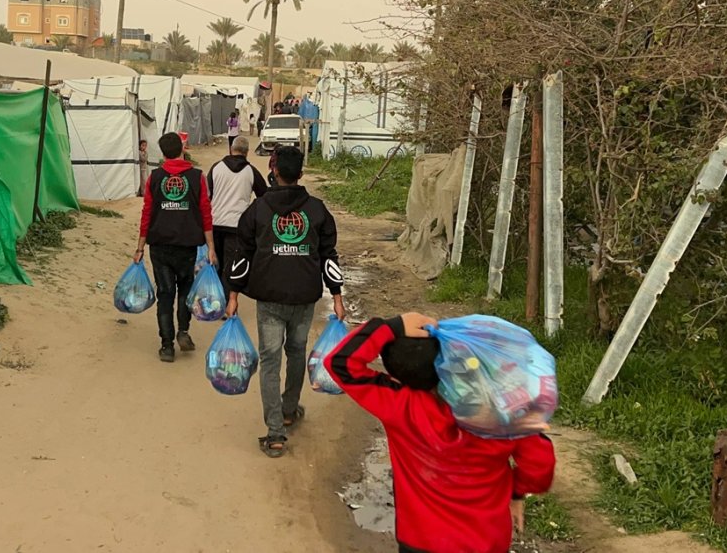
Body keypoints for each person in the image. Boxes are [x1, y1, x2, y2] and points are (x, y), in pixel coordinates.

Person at [325, 312, 556, 553]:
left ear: (397, 377)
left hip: (420, 540)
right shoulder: (502, 413)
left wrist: (391, 327)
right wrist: (516, 493)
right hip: (487, 541)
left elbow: (340, 362)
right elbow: (540, 464)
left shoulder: (399, 405)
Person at [227, 146, 344, 457]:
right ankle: (289, 409)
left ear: (275, 172)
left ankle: (276, 433)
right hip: (305, 297)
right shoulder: (317, 210)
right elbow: (328, 256)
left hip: (269, 298)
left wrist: (234, 295)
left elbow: (243, 255)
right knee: (296, 353)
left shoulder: (258, 210)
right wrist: (337, 296)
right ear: (301, 174)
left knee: (269, 362)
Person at [134, 132, 217, 362]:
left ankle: (167, 346)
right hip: (187, 245)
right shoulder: (197, 177)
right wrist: (211, 247)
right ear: (182, 148)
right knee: (185, 290)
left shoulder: (155, 177)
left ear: (162, 153)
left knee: (165, 294)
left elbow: (147, 214)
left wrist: (140, 247)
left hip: (159, 245)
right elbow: (205, 213)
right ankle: (183, 331)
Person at [207, 136, 267, 281]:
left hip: (215, 224)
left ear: (231, 149)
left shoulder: (216, 168)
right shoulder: (251, 171)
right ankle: (227, 301)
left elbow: (207, 196)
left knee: (214, 266)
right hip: (237, 227)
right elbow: (264, 197)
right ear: (246, 153)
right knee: (230, 268)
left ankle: (215, 299)